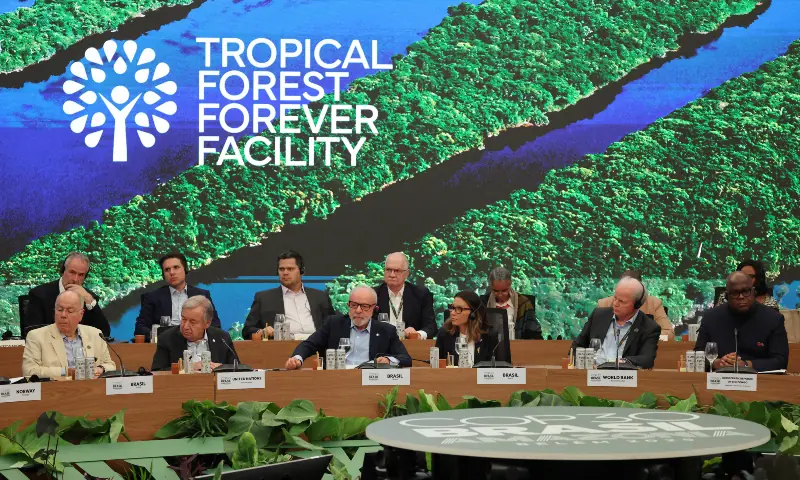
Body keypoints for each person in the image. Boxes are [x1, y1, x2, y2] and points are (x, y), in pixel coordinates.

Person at [285, 285, 411, 369]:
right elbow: (309, 344)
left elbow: (406, 359)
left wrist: (389, 361)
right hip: (337, 379)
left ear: (374, 308)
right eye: (354, 305)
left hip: (370, 381)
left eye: (364, 306)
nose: (358, 310)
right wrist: (297, 359)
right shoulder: (333, 324)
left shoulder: (386, 330)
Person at [695, 271, 788, 372]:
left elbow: (780, 360)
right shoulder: (711, 317)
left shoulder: (773, 318)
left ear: (753, 292)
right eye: (735, 293)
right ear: (727, 296)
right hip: (719, 380)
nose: (741, 297)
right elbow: (697, 355)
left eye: (746, 291)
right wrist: (718, 363)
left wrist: (746, 364)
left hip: (760, 381)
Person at [571, 277, 661, 369]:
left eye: (622, 301)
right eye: (615, 298)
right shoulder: (598, 316)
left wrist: (624, 362)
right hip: (592, 374)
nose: (615, 303)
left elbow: (647, 359)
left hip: (624, 377)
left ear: (637, 305)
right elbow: (577, 346)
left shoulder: (649, 327)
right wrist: (585, 364)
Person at [22, 291, 116, 378]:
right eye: (59, 309)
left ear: (81, 314)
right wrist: (67, 372)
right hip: (54, 391)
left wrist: (99, 369)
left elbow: (110, 365)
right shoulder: (36, 336)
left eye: (70, 311)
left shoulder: (95, 334)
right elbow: (29, 371)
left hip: (91, 390)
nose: (63, 315)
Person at [242, 250, 334, 339]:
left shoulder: (320, 297)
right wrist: (262, 332)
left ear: (302, 271)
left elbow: (334, 327)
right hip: (282, 350)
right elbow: (247, 330)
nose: (285, 273)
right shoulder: (263, 298)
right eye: (281, 269)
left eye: (290, 269)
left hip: (317, 348)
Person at [134, 252, 221, 341]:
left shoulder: (202, 295)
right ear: (163, 275)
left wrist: (197, 334)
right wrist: (158, 336)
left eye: (176, 267)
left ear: (185, 269)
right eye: (167, 270)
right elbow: (140, 327)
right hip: (165, 345)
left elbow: (215, 324)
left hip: (195, 342)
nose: (172, 272)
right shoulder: (152, 297)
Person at [25, 252, 110, 338]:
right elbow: (33, 333)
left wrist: (90, 301)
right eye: (72, 272)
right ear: (63, 271)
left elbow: (104, 334)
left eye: (81, 275)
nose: (75, 279)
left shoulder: (89, 298)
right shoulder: (39, 294)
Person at [151, 296, 238, 371]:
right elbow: (157, 372)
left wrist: (222, 368)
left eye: (192, 322)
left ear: (207, 323)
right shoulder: (167, 338)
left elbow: (237, 368)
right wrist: (190, 367)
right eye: (184, 319)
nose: (185, 326)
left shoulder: (222, 338)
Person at [374, 252, 436, 339]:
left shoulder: (421, 294)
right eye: (388, 270)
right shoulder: (373, 294)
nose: (392, 275)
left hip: (409, 348)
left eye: (397, 271)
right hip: (381, 345)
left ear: (406, 274)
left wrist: (417, 334)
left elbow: (431, 327)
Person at [597, 270, 674, 341]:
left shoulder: (654, 304)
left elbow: (669, 336)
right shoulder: (604, 304)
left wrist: (645, 337)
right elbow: (595, 335)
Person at [435, 291, 500, 366]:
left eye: (459, 309)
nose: (452, 313)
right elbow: (438, 366)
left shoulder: (489, 335)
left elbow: (497, 368)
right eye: (452, 308)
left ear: (473, 313)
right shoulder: (445, 333)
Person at [481, 267, 542, 339]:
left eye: (504, 291)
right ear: (491, 286)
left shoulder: (523, 303)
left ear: (510, 284)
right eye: (496, 291)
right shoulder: (483, 303)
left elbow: (534, 332)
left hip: (518, 347)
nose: (500, 294)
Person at [716, 260, 780, 311]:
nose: (745, 279)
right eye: (742, 275)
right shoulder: (725, 297)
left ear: (758, 278)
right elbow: (716, 318)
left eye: (750, 276)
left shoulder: (770, 302)